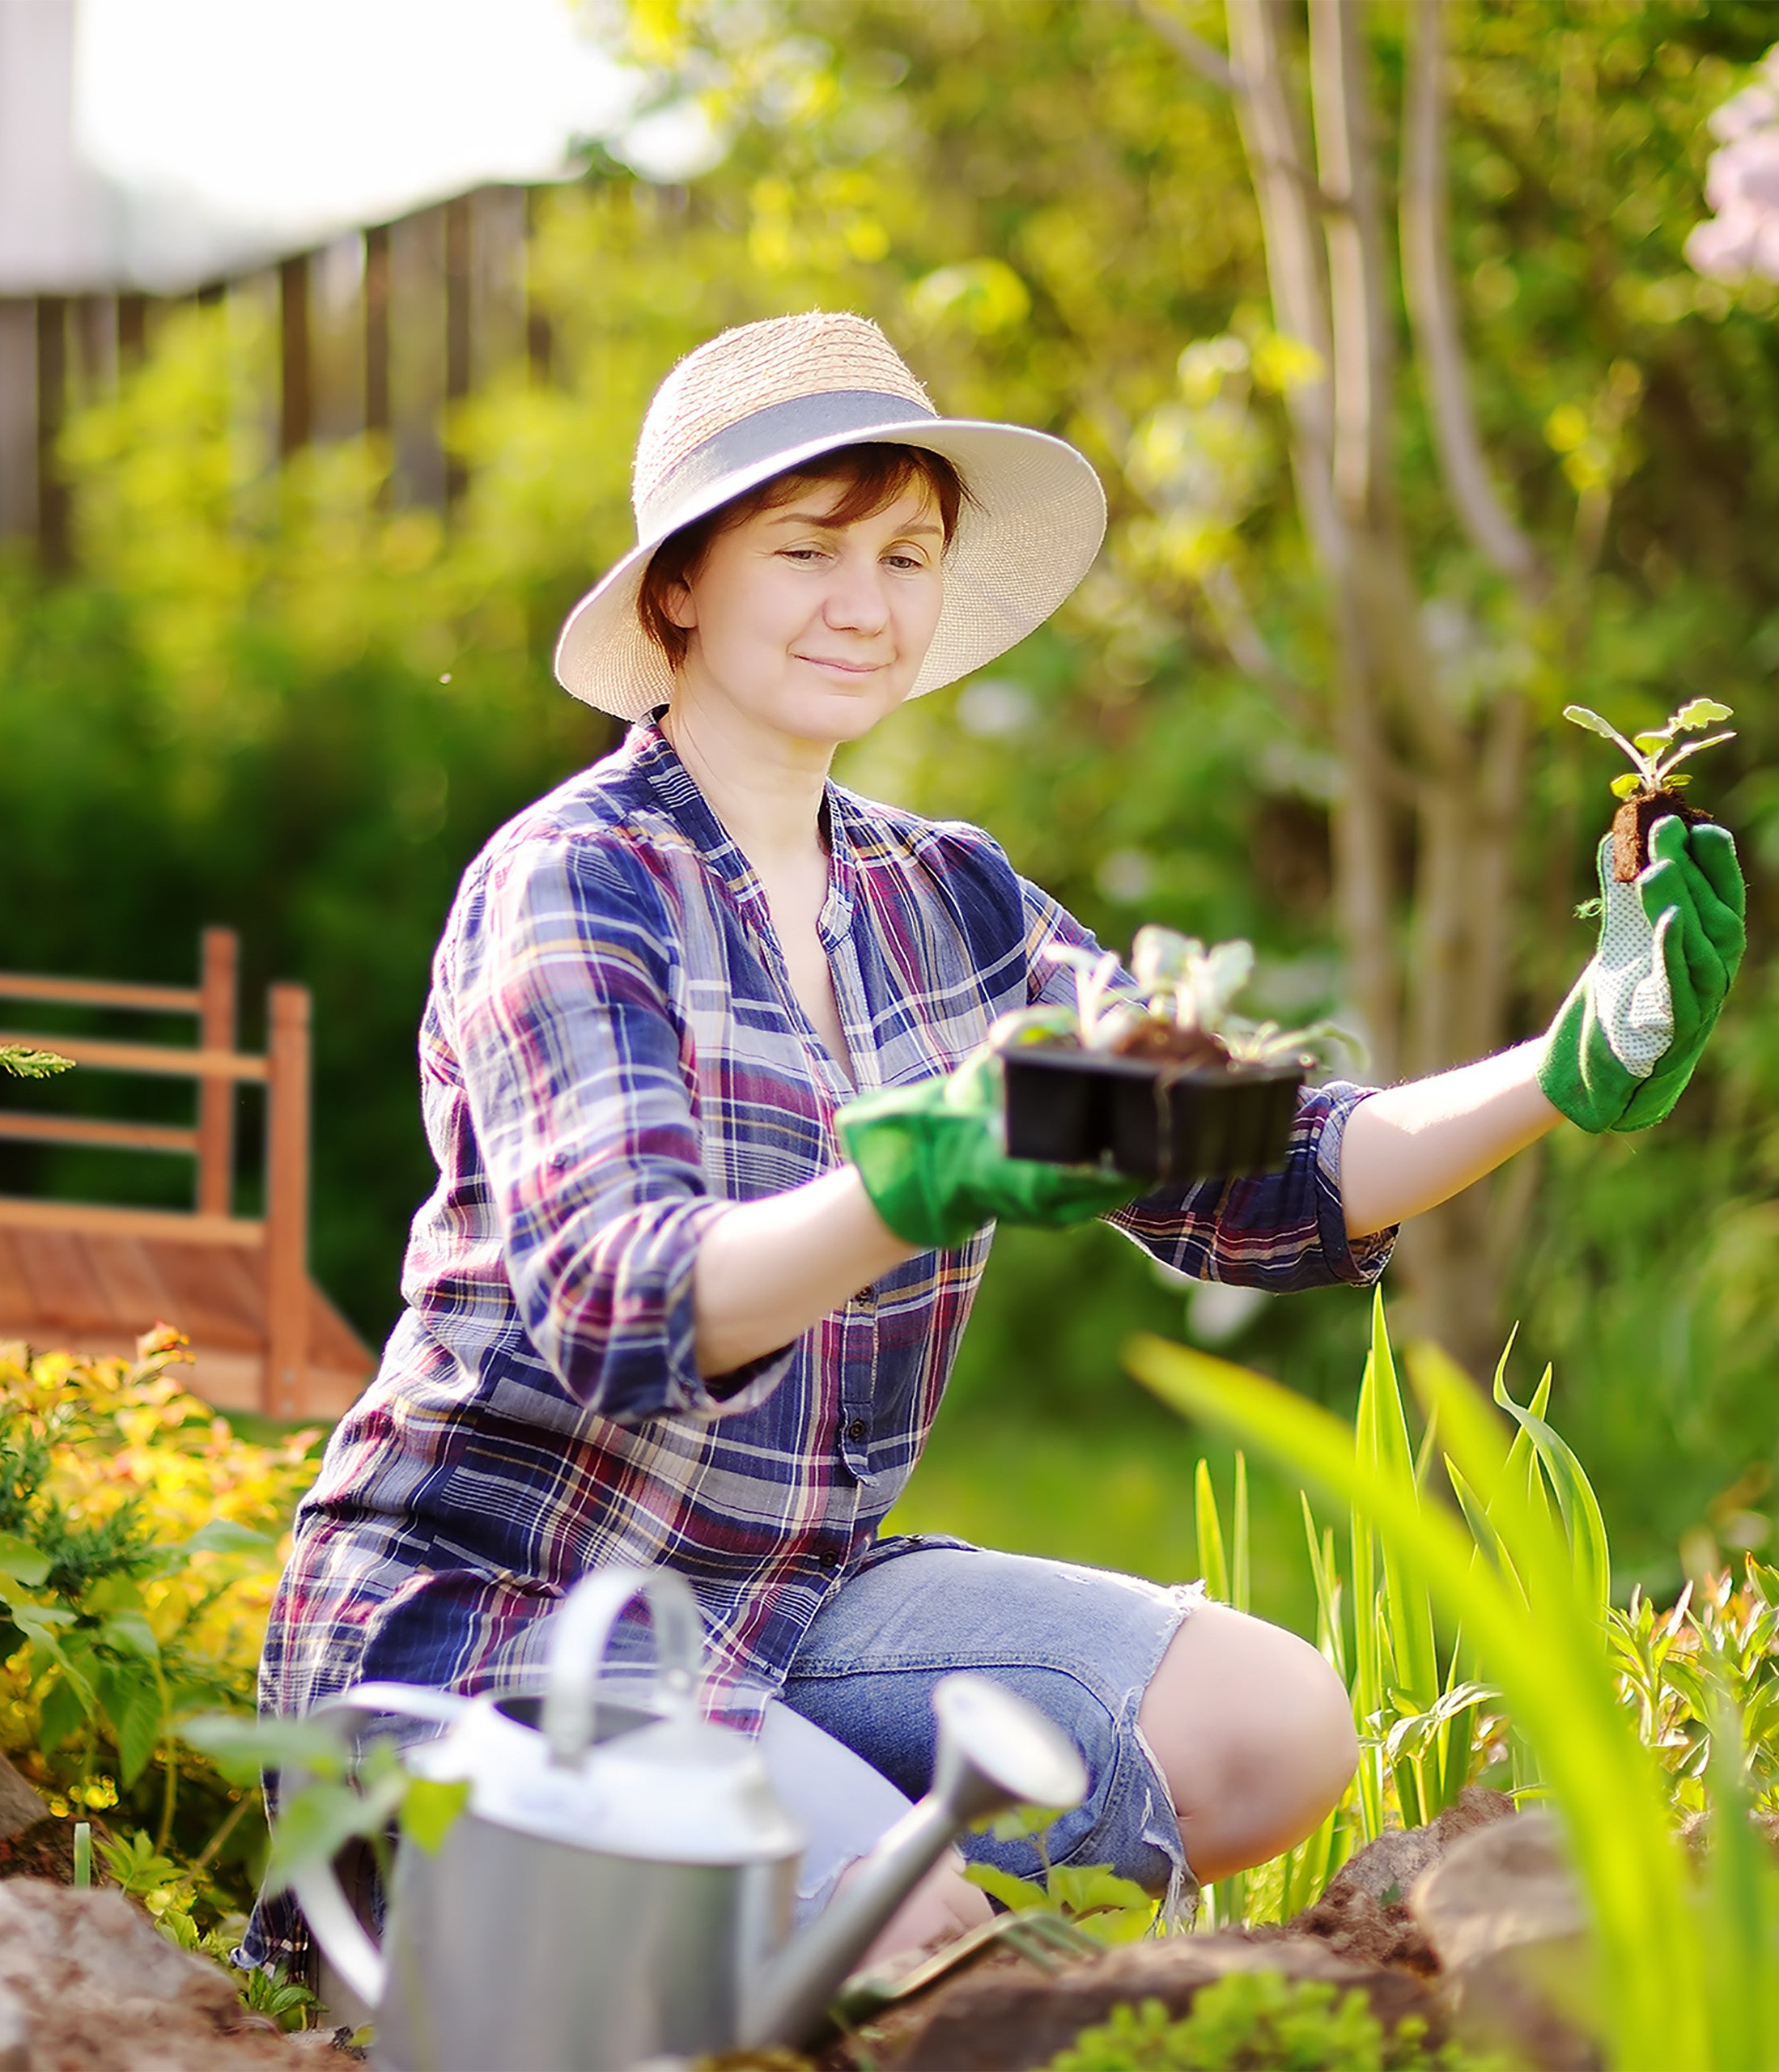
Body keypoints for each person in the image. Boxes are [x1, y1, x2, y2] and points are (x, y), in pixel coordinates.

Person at [252, 312, 1743, 1968]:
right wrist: (915, 1180)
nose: (861, 602)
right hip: (493, 1631)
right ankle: (568, 1938)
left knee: (1274, 1720)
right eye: (803, 547)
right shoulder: (571, 881)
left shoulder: (940, 894)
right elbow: (621, 1308)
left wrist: (1565, 1059)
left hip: (780, 1607)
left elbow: (1250, 1167)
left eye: (903, 553)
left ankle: (770, 1909)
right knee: (919, 1932)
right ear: (677, 585)